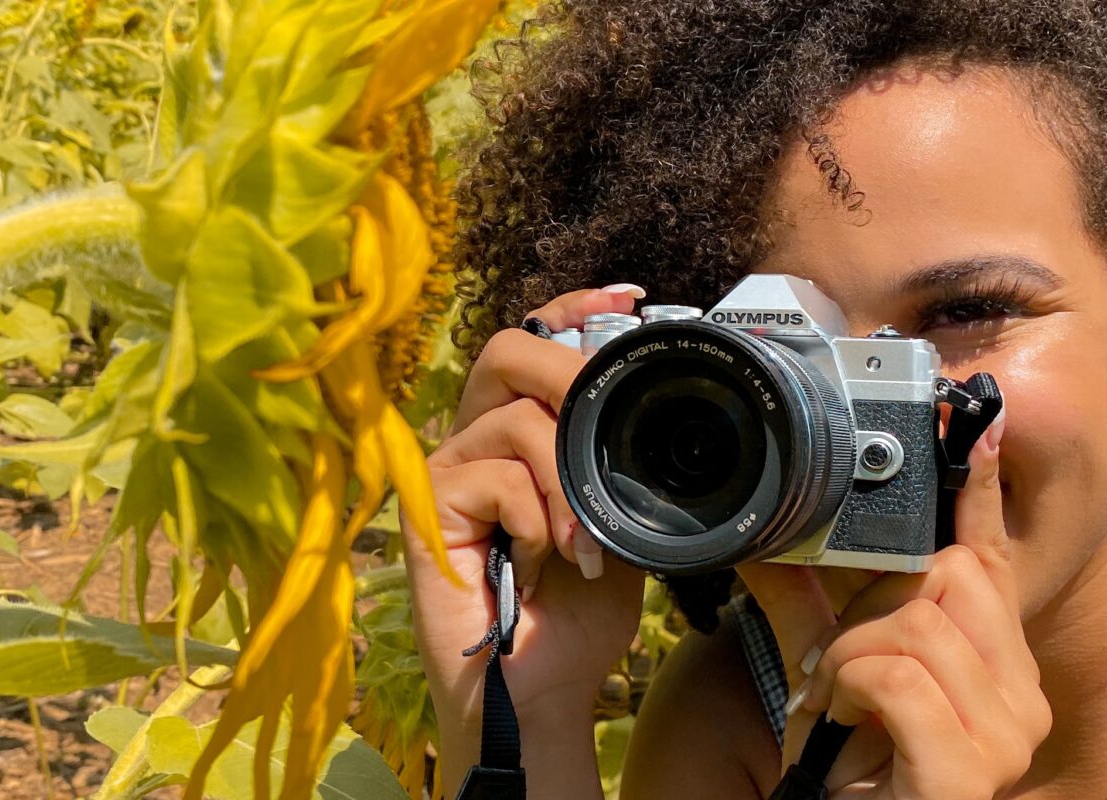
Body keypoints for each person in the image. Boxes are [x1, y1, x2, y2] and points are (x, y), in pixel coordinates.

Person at [401, 2, 1107, 796]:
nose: (873, 417)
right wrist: (523, 711)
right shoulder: (740, 714)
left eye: (969, 311)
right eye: (784, 356)